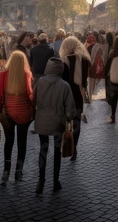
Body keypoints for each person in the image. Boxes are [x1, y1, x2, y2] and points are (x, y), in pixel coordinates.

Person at [34, 57, 76, 195]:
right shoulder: (65, 85)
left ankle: (41, 181)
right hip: (58, 122)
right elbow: (70, 109)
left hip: (41, 120)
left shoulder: (40, 82)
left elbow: (32, 99)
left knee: (43, 149)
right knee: (57, 152)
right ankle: (55, 181)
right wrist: (69, 119)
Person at [0, 50, 34, 183]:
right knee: (22, 143)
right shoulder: (26, 74)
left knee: (8, 142)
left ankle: (6, 171)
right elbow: (30, 94)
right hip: (24, 113)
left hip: (8, 113)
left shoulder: (4, 75)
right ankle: (18, 172)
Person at [59, 36, 90, 160]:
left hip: (66, 94)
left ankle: (65, 144)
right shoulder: (84, 60)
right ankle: (74, 147)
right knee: (77, 121)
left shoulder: (64, 61)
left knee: (66, 121)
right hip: (79, 94)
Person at [86, 33, 107, 100]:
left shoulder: (87, 46)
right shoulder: (97, 46)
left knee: (91, 83)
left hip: (90, 67)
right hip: (95, 67)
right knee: (93, 82)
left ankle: (90, 96)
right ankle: (91, 96)